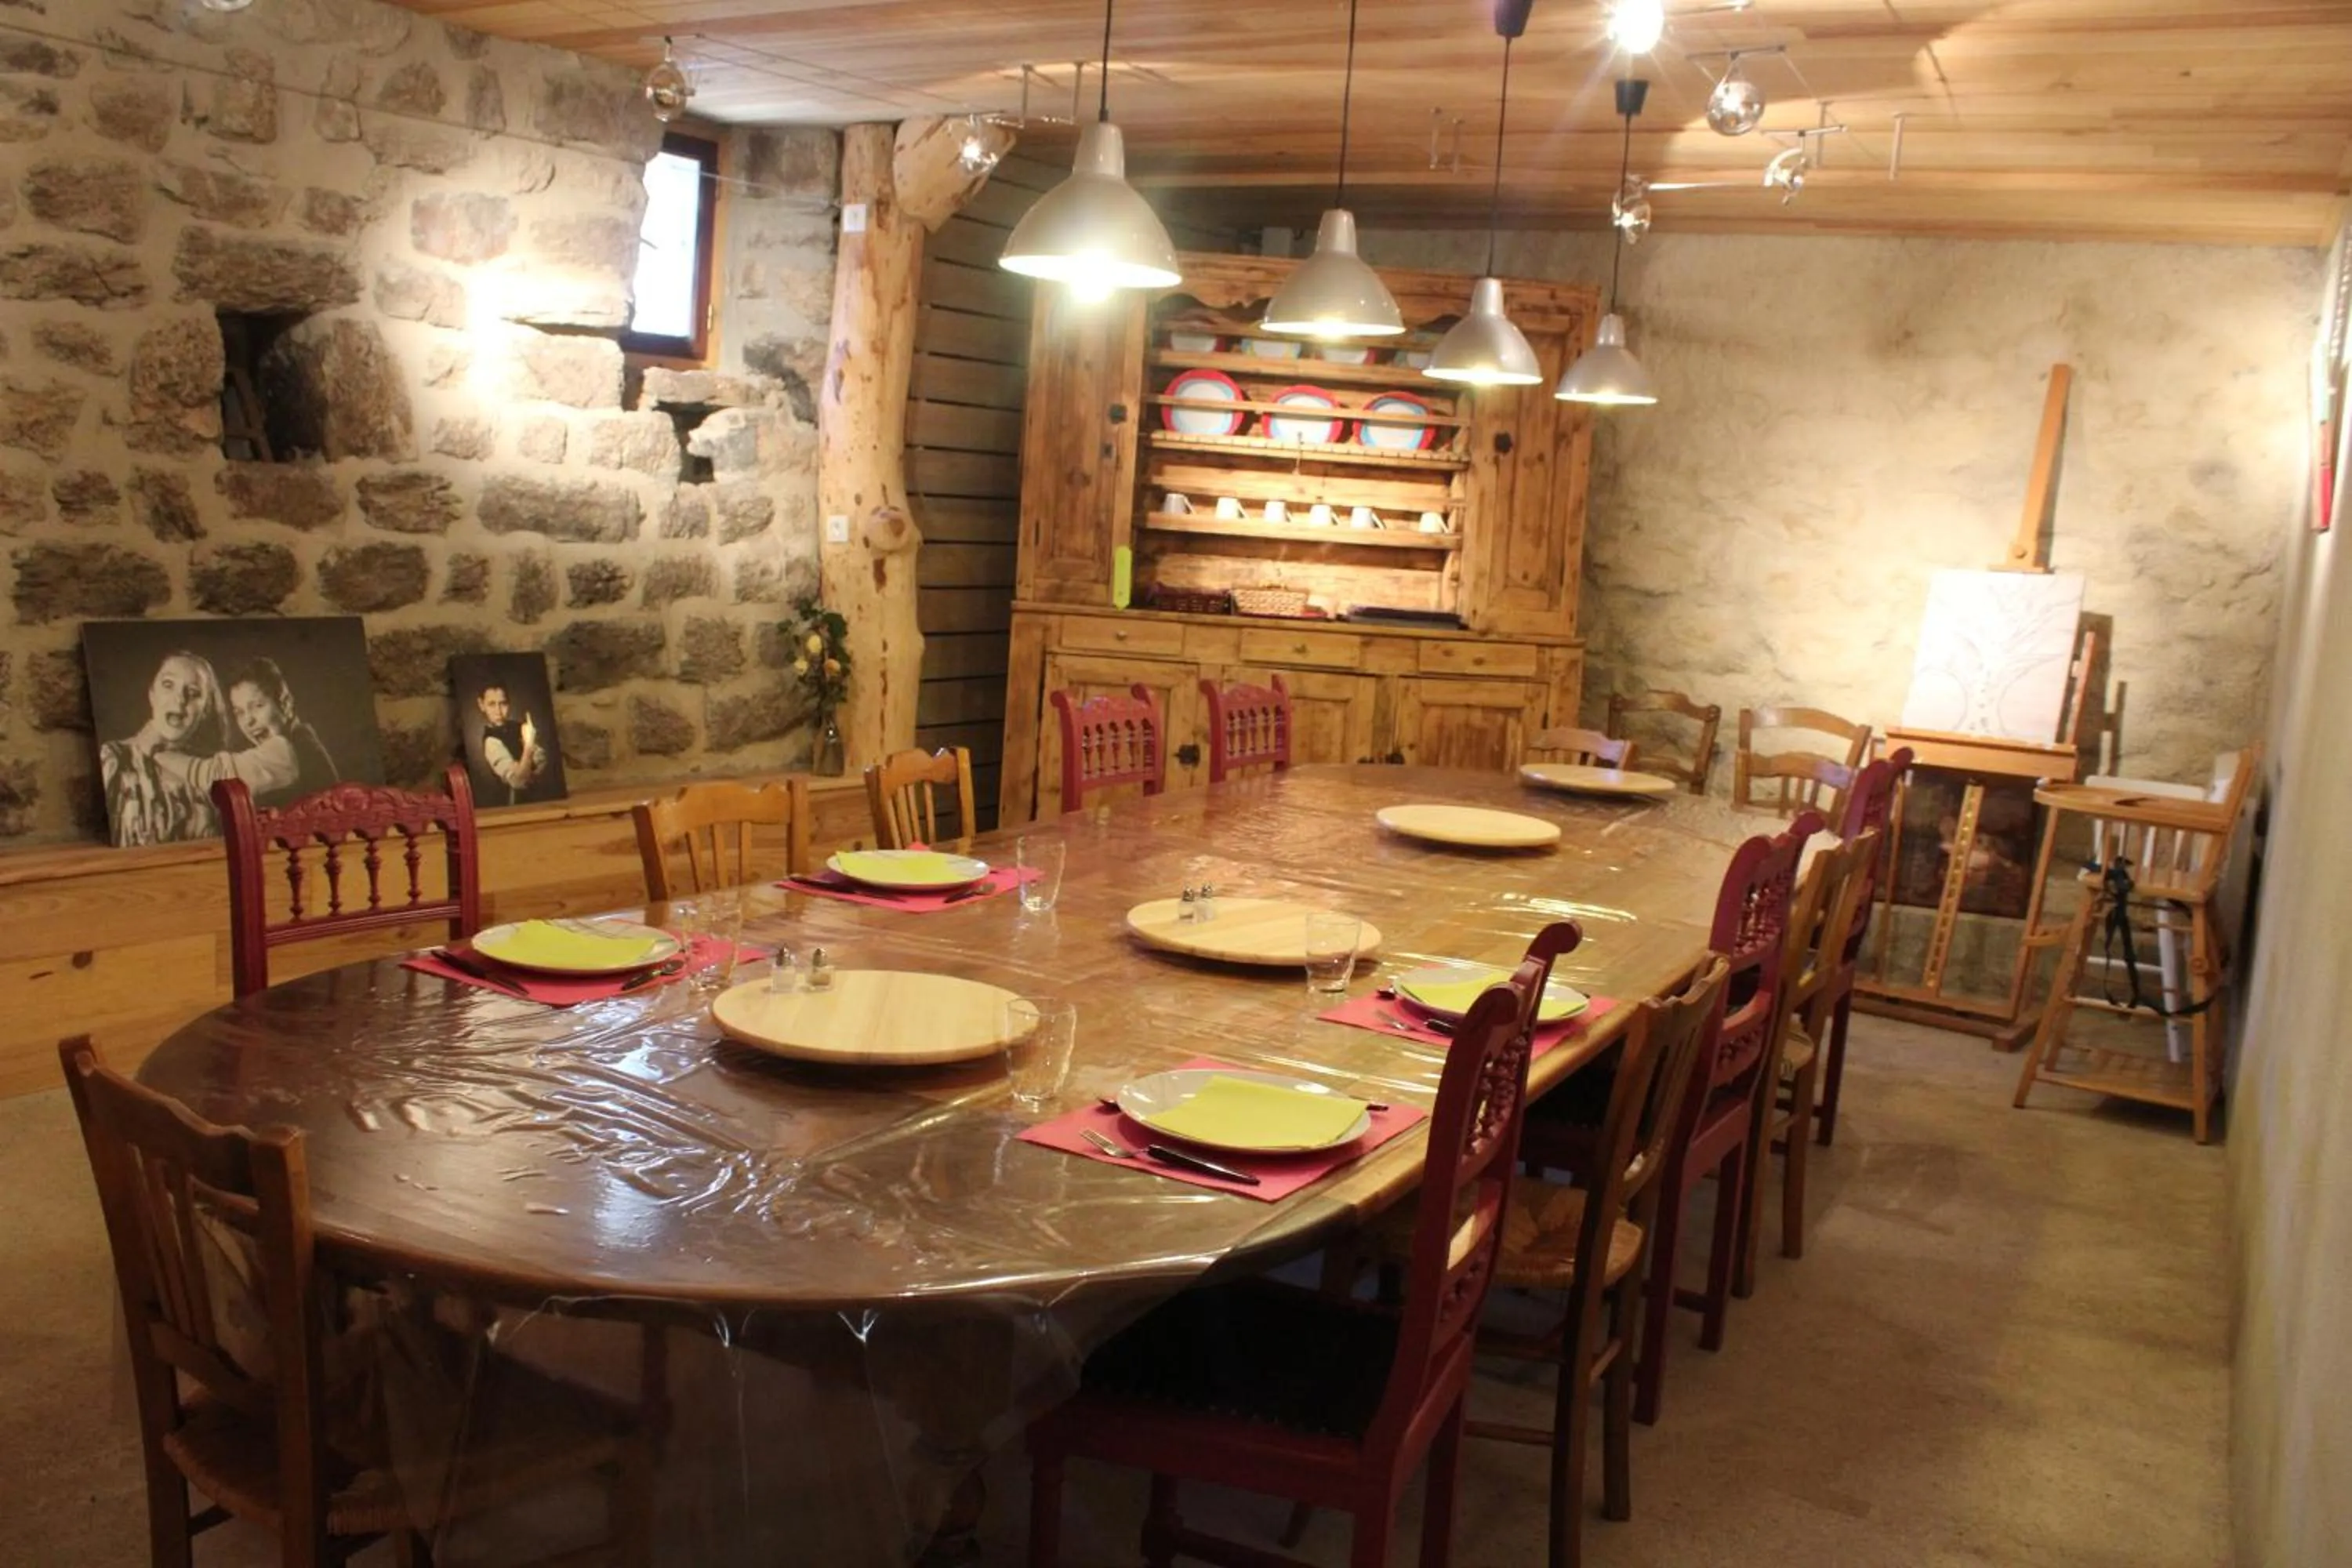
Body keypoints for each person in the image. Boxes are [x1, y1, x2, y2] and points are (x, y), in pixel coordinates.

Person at [100, 652, 298, 847]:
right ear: (152, 694)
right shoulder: (115, 759)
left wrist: (157, 752)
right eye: (168, 685)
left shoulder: (213, 769)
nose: (180, 700)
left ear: (205, 710)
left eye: (194, 693)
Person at [223, 658, 339, 809]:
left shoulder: (298, 748)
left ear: (286, 705)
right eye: (239, 712)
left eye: (258, 706)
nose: (248, 721)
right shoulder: (302, 738)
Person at [474, 682, 553, 805]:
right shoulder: (491, 741)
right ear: (481, 705)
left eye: (503, 704)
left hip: (544, 798)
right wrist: (528, 746)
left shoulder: (520, 727)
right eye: (491, 704)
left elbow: (542, 761)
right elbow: (518, 782)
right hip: (515, 804)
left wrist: (523, 767)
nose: (498, 711)